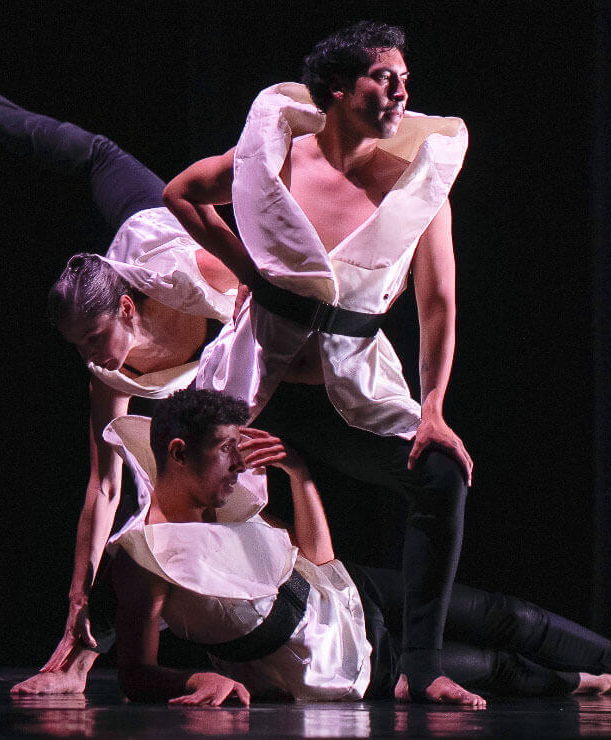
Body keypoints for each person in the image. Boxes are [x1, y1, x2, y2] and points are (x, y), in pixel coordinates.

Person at [0, 74, 240, 694]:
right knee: (148, 518)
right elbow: (104, 486)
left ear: (124, 309)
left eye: (93, 340)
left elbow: (267, 271)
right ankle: (85, 658)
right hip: (132, 259)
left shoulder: (199, 269)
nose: (89, 358)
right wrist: (76, 605)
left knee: (97, 152)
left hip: (168, 242)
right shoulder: (106, 373)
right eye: (77, 349)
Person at [162, 21, 476, 703]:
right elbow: (180, 193)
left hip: (347, 393)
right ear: (338, 88)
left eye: (405, 82)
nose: (400, 93)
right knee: (179, 483)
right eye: (384, 78)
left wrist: (433, 408)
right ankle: (171, 663)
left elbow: (439, 305)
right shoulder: (275, 159)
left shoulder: (414, 189)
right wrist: (248, 269)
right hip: (259, 387)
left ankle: (422, 669)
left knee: (442, 475)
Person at [105, 388, 611, 705]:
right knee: (500, 669)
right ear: (178, 454)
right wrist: (190, 682)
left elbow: (314, 563)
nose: (238, 471)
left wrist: (302, 475)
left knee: (507, 614)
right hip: (338, 666)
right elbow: (135, 671)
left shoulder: (228, 506)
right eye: (226, 456)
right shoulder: (144, 554)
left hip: (350, 590)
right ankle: (592, 683)